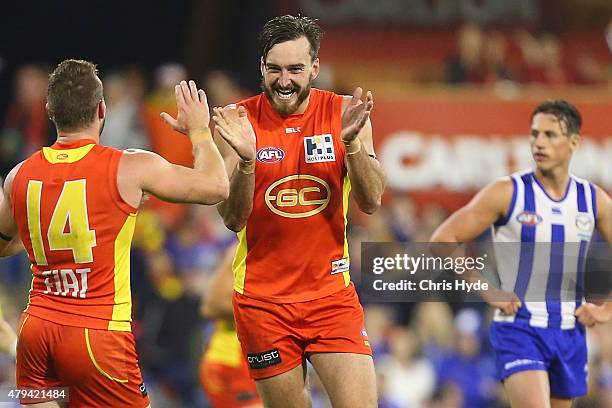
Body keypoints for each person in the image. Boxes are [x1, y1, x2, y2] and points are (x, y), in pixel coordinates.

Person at [0, 59, 240, 407]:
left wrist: (46, 229)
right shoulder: (129, 166)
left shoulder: (19, 175)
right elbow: (216, 186)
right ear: (101, 109)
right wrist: (199, 130)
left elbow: (4, 246)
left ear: (50, 110)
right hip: (98, 336)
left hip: (37, 333)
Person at [211, 15, 386, 408]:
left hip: (330, 297)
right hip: (262, 303)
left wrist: (353, 146)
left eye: (295, 69)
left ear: (315, 68)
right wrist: (245, 162)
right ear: (261, 67)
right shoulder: (238, 121)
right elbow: (232, 218)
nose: (284, 80)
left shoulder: (345, 113)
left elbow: (371, 201)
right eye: (274, 69)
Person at [431, 100, 612, 408]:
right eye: (534, 134)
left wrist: (607, 309)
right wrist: (488, 290)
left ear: (574, 142)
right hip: (520, 328)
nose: (538, 142)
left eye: (550, 135)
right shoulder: (507, 192)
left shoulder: (593, 200)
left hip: (569, 331)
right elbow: (442, 239)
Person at [199, 244, 262, 408]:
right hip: (231, 360)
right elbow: (212, 305)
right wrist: (269, 311)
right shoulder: (244, 246)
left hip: (257, 359)